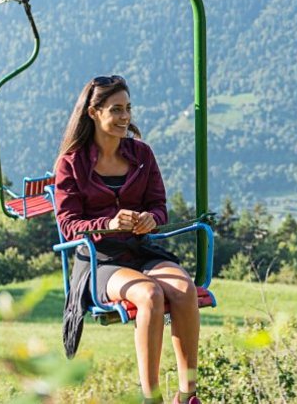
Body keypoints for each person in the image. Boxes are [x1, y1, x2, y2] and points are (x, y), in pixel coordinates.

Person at [54, 75, 201, 404]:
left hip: (140, 250)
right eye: (116, 109)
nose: (125, 117)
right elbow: (67, 225)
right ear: (94, 112)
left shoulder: (142, 155)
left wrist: (152, 219)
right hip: (101, 260)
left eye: (128, 109)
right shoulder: (72, 164)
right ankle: (152, 397)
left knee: (184, 289)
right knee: (149, 295)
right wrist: (108, 224)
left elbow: (159, 207)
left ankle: (187, 394)